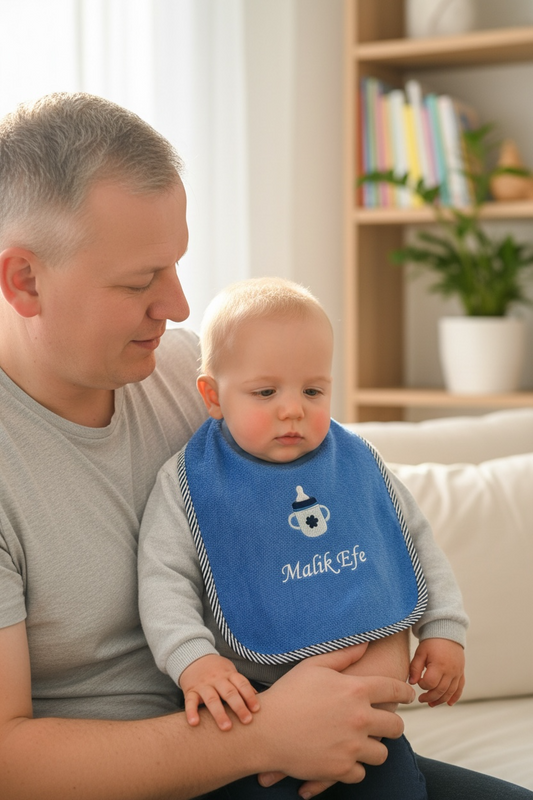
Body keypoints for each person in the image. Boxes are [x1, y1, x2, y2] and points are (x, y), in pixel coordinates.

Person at [0, 92, 530, 800]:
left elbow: (354, 513)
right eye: (138, 282)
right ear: (25, 280)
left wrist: (380, 648)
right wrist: (259, 735)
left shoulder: (197, 378)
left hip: (294, 746)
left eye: (176, 264)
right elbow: (7, 756)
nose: (179, 305)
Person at [137, 277, 467, 799]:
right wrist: (194, 660)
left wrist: (444, 627)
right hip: (250, 707)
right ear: (212, 395)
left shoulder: (354, 463)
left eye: (313, 390)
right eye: (266, 392)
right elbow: (163, 578)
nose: (292, 409)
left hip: (364, 713)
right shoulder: (191, 483)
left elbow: (412, 539)